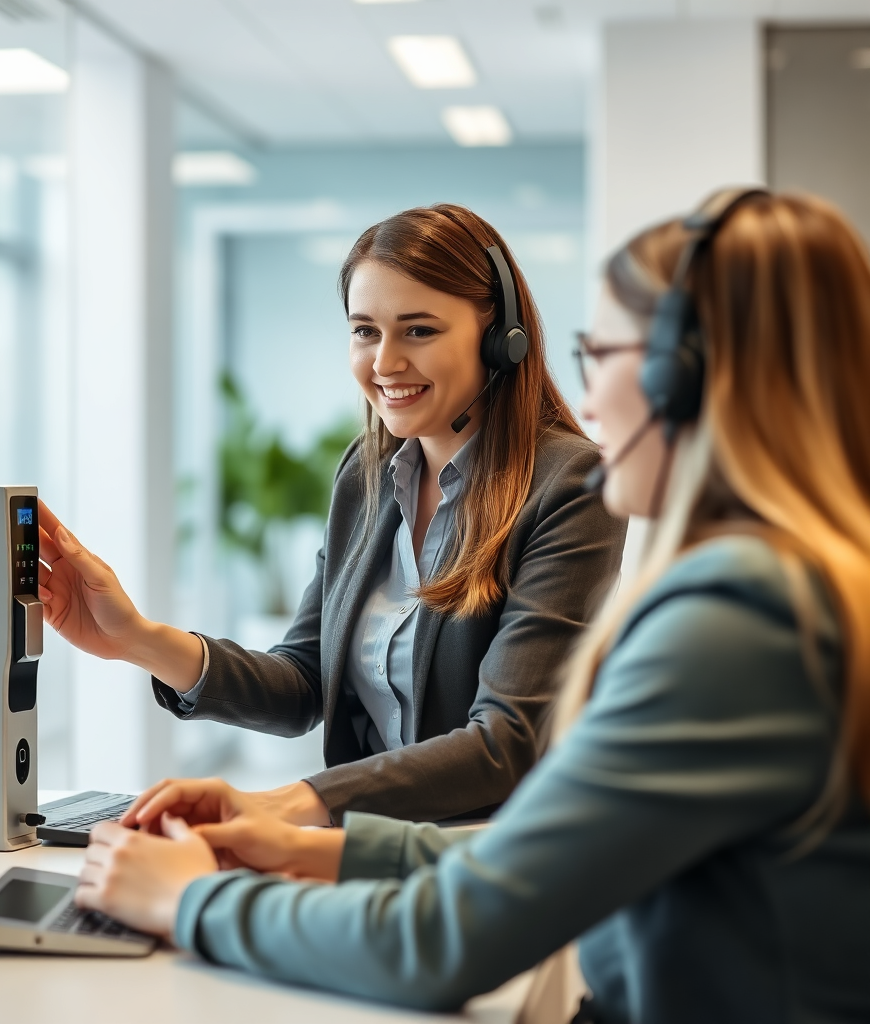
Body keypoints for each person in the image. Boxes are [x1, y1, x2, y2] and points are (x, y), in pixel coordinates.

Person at [73, 189, 870, 1023]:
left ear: (683, 376)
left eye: (607, 354)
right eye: (364, 329)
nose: (591, 398)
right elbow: (557, 847)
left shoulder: (737, 620)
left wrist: (191, 903)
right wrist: (308, 845)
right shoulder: (782, 587)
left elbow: (453, 932)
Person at [39, 204, 626, 826]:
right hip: (356, 848)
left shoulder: (570, 485)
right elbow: (302, 683)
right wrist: (135, 638)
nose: (384, 363)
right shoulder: (367, 475)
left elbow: (506, 744)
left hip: (491, 863)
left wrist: (290, 803)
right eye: (365, 331)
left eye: (419, 330)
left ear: (500, 339)